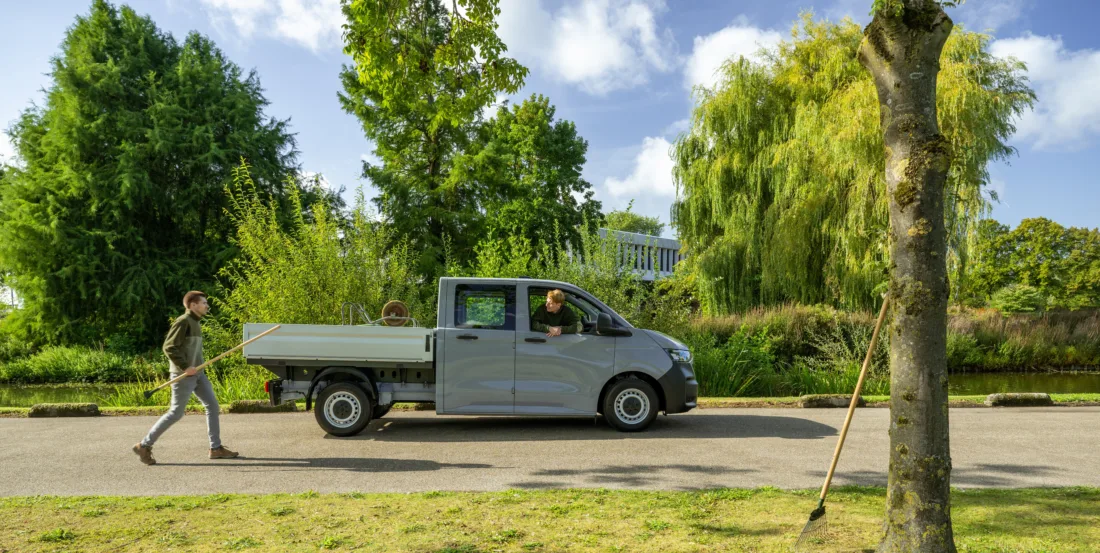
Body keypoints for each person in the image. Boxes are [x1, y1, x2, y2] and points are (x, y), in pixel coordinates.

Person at [133, 291, 238, 465]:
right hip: (183, 375)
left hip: (198, 373)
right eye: (203, 303)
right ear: (193, 305)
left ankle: (216, 448)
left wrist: (196, 366)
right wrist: (184, 367)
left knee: (212, 405)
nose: (206, 306)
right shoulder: (183, 322)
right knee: (176, 413)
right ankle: (144, 445)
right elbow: (169, 347)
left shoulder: (196, 323)